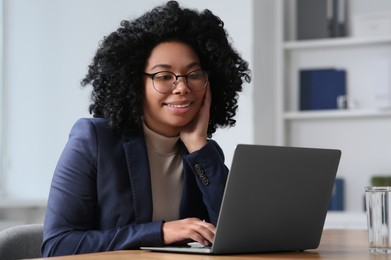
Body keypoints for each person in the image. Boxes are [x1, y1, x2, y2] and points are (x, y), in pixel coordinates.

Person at [41, 0, 251, 257]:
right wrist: (160, 232)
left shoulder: (204, 155)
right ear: (134, 83)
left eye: (193, 75)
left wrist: (197, 144)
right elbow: (57, 245)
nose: (182, 87)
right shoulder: (94, 139)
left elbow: (237, 234)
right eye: (164, 76)